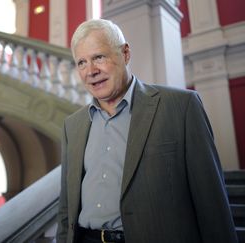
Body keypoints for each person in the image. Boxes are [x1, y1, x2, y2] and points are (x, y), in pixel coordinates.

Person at [56, 19, 238, 243]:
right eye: (81, 62)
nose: (91, 71)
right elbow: (66, 209)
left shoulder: (181, 107)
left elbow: (212, 204)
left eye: (99, 57)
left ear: (125, 53)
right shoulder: (72, 125)